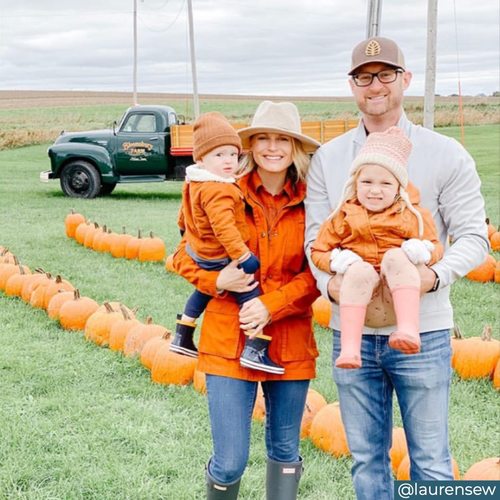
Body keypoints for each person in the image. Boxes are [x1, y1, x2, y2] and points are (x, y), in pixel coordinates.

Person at [304, 37, 489, 499]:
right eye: (364, 77)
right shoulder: (329, 159)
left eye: (386, 74)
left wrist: (430, 276)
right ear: (352, 85)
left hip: (423, 333)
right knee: (367, 460)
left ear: (405, 79)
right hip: (354, 337)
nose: (375, 85)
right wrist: (335, 287)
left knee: (430, 460)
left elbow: (473, 236)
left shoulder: (445, 153)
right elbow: (315, 241)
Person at [173, 100, 321, 499]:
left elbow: (319, 273)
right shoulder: (220, 190)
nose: (273, 148)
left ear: (296, 147)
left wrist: (272, 304)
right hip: (228, 339)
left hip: (288, 340)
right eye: (263, 139)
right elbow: (180, 255)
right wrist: (217, 279)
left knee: (285, 449)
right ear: (251, 146)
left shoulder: (313, 201)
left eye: (283, 140)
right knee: (230, 460)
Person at [310, 126, 444, 369]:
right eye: (367, 181)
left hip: (395, 283)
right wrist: (334, 261)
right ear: (355, 183)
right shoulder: (343, 214)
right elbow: (318, 250)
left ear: (398, 188)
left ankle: (408, 329)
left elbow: (436, 247)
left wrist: (422, 250)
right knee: (358, 271)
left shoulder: (411, 214)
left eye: (385, 183)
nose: (374, 190)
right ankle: (350, 349)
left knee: (396, 256)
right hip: (362, 286)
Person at [170, 111, 283, 375]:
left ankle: (182, 333)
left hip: (201, 252)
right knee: (249, 292)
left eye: (233, 154)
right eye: (220, 155)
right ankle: (254, 348)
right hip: (220, 256)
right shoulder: (219, 188)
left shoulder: (196, 181)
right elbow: (224, 230)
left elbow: (184, 216)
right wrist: (242, 259)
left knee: (204, 291)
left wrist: (187, 234)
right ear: (202, 158)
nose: (229, 161)